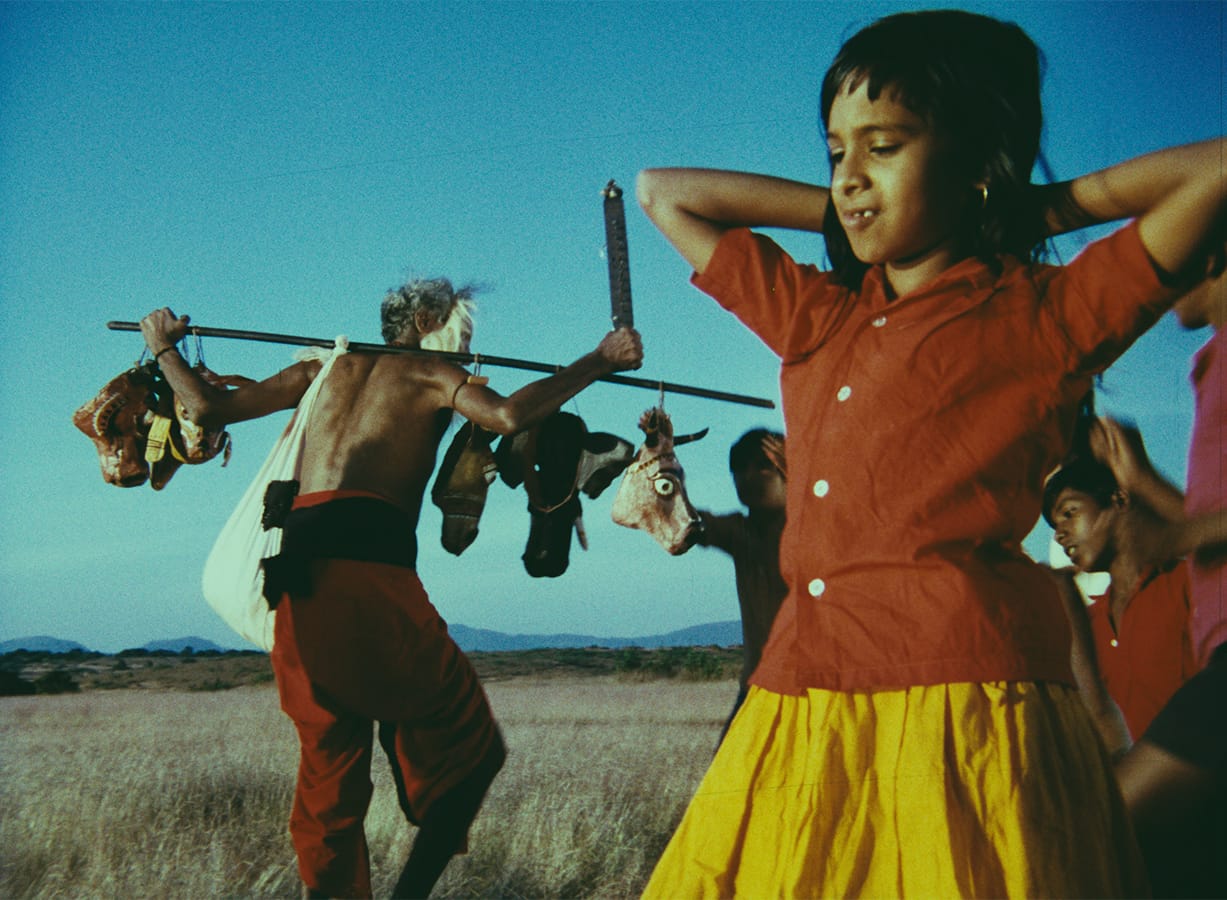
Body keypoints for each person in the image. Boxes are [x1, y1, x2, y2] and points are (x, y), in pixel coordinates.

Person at [635, 8, 1225, 897]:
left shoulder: (1049, 312)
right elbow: (661, 191)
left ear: (974, 159)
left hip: (965, 705)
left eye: (885, 145)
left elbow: (1214, 169)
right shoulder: (816, 313)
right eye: (837, 152)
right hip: (803, 696)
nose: (849, 177)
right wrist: (846, 209)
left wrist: (1028, 205)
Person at [139, 277, 643, 900]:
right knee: (474, 751)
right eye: (461, 326)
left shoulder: (324, 370)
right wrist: (600, 359)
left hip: (296, 582)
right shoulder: (431, 374)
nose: (467, 345)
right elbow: (510, 415)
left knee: (330, 781)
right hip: (371, 575)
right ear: (430, 317)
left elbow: (209, 410)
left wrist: (162, 347)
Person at [1090, 266, 1227, 898]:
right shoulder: (1209, 363)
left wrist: (1173, 542)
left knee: (1094, 837)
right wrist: (1141, 480)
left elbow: (1193, 535)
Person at [1043, 451, 1196, 746]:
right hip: (1125, 785)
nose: (1060, 535)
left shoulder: (1185, 582)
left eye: (1069, 512)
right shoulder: (1086, 626)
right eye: (1054, 527)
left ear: (1120, 501)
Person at [693, 428, 787, 739]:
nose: (749, 477)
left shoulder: (817, 525)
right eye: (739, 469)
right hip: (758, 685)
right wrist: (661, 458)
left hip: (822, 688)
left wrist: (805, 479)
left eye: (764, 465)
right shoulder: (740, 532)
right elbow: (680, 520)